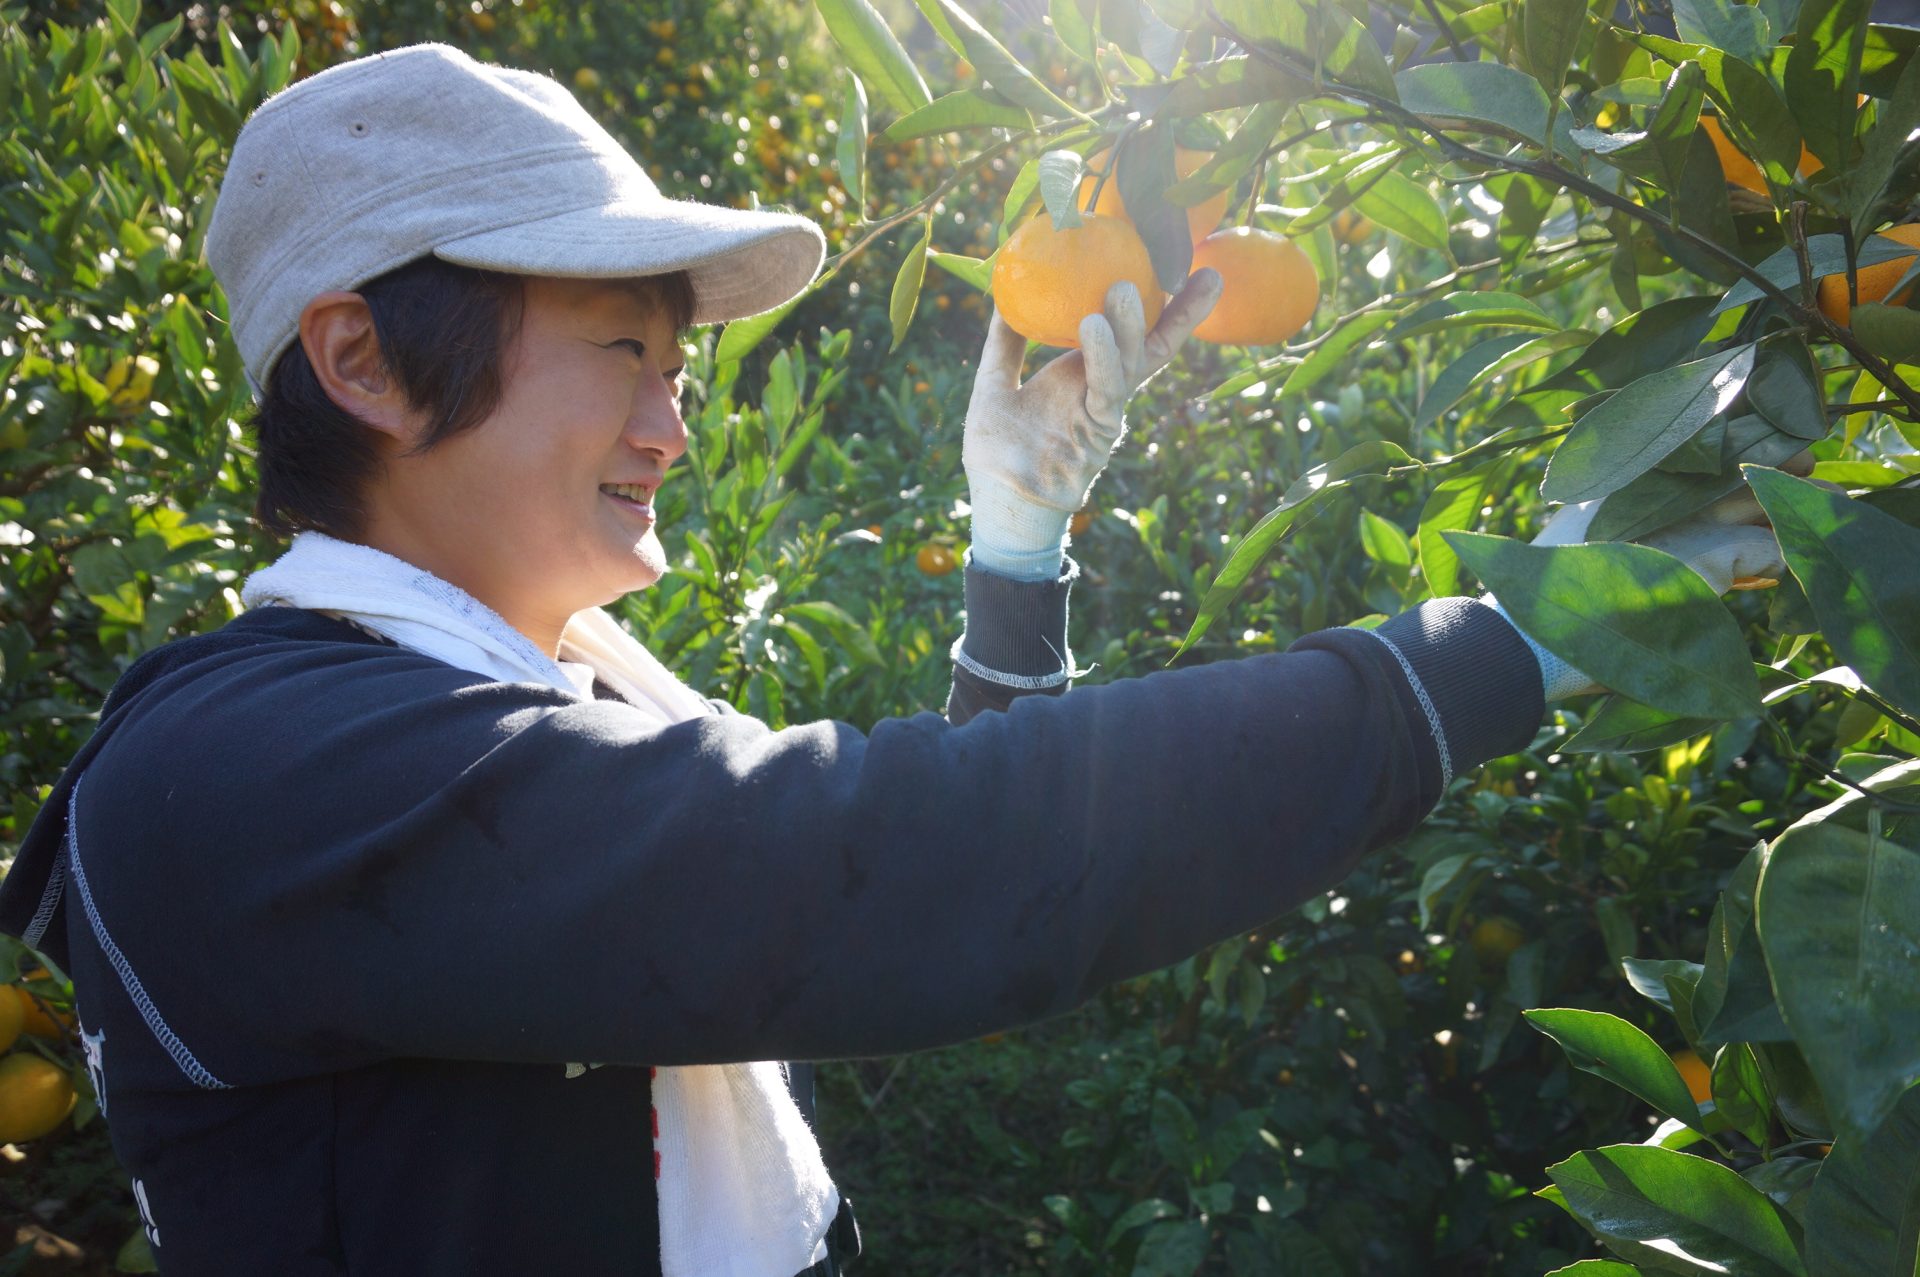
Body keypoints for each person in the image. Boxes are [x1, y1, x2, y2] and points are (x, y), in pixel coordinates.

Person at [0, 42, 1790, 1277]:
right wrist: (1509, 645)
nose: (670, 425)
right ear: (365, 359)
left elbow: (847, 936)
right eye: (623, 351)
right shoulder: (247, 776)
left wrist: (1013, 543)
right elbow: (879, 871)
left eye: (677, 368)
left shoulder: (550, 692)